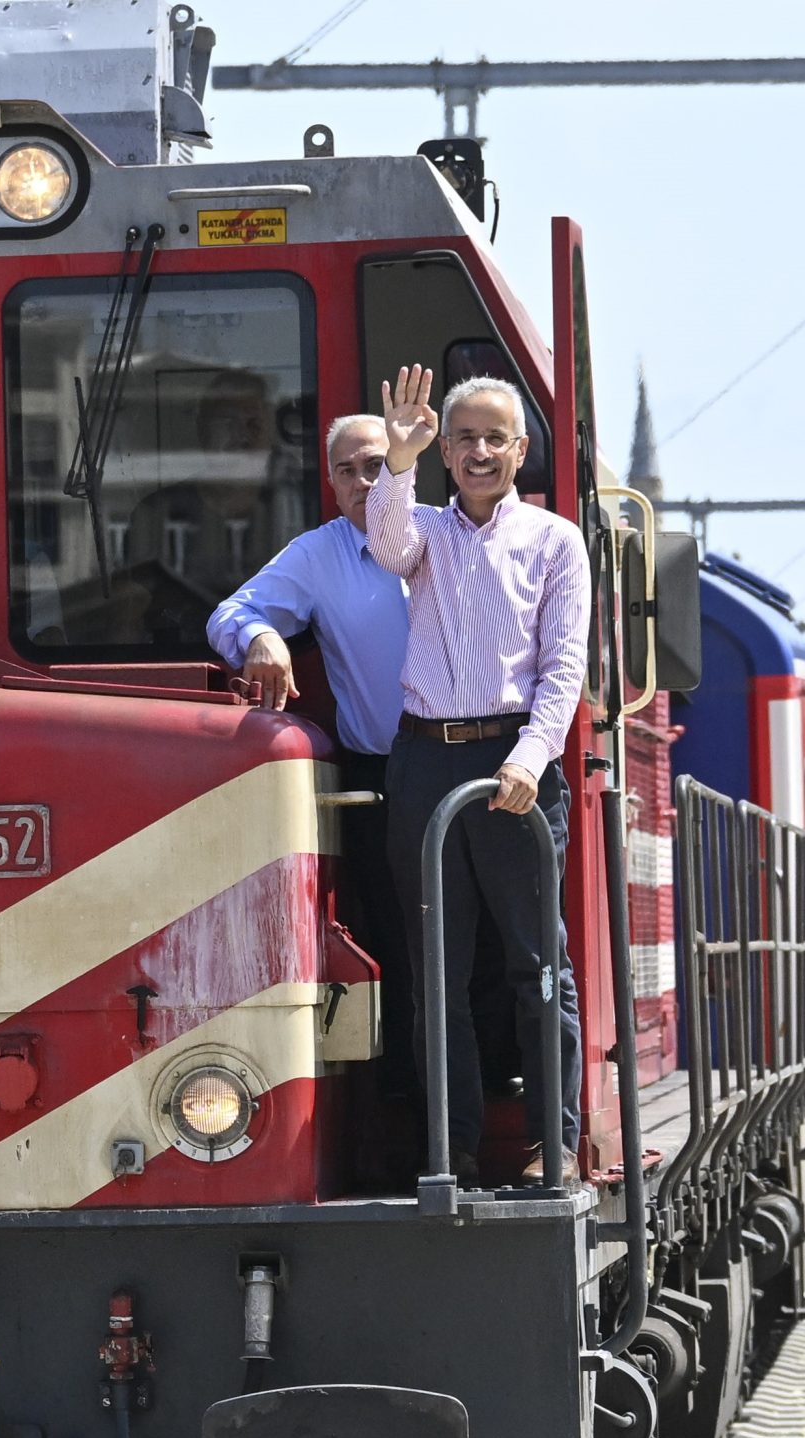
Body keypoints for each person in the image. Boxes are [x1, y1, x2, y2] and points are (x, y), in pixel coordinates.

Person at [368, 364, 588, 1182]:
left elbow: (564, 667)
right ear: (448, 452)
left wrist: (531, 759)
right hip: (427, 758)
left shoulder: (556, 541)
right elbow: (387, 545)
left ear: (522, 450)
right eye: (465, 439)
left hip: (513, 761)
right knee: (438, 969)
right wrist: (398, 457)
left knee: (538, 964)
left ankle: (553, 1143)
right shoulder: (423, 525)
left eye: (495, 438)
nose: (481, 452)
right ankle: (449, 1144)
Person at [207, 414, 415, 1092]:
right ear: (331, 484)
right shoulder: (319, 555)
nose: (364, 481)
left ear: (406, 468)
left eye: (378, 466)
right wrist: (263, 639)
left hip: (471, 766)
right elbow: (231, 612)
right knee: (403, 958)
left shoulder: (444, 533)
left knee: (492, 956)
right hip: (383, 781)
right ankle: (425, 1133)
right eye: (349, 470)